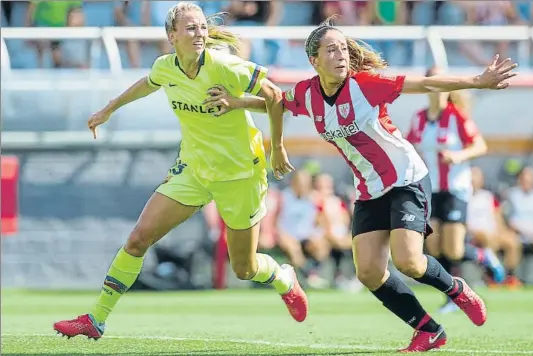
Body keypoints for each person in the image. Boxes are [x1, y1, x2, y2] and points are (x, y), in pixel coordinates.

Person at [208, 16, 517, 352]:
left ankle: (456, 289)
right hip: (369, 191)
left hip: (406, 179)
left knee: (409, 262)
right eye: (331, 49)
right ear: (314, 60)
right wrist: (237, 102)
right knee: (369, 272)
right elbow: (278, 103)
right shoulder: (308, 93)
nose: (340, 54)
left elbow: (424, 85)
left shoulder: (365, 84)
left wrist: (477, 80)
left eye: (343, 48)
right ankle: (429, 330)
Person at [53, 2, 307, 341]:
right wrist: (109, 109)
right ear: (172, 36)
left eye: (202, 26)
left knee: (244, 268)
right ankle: (96, 318)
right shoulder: (166, 67)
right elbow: (148, 82)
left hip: (240, 174)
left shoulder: (223, 65)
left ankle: (283, 278)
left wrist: (275, 145)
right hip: (194, 171)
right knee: (138, 238)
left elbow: (277, 97)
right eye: (191, 28)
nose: (200, 33)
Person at [406, 67, 505, 314]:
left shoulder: (456, 116)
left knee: (455, 249)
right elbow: (409, 147)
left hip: (455, 189)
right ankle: (453, 296)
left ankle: (482, 257)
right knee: (436, 246)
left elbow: (480, 145)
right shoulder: (418, 118)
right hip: (430, 190)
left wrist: (458, 155)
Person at [468, 167, 522, 289]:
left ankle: (509, 277)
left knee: (512, 241)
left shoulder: (488, 196)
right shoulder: (463, 196)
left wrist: (502, 231)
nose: (474, 180)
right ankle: (492, 276)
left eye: (477, 177)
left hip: (492, 233)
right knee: (488, 238)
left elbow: (497, 217)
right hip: (474, 234)